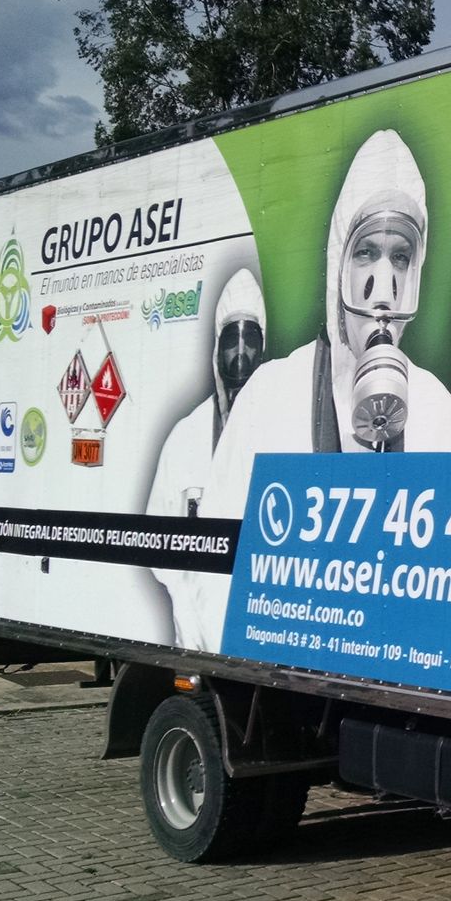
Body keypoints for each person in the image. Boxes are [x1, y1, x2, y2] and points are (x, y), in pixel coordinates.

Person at [177, 130, 451, 650]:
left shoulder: (437, 412)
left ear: (417, 272)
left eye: (400, 258)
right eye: (366, 253)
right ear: (339, 261)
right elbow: (217, 560)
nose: (382, 287)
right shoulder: (270, 394)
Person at [146, 268, 267, 647]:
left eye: (251, 339)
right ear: (217, 346)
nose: (241, 353)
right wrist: (187, 602)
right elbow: (157, 535)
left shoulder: (280, 426)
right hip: (193, 630)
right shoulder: (187, 436)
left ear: (263, 347)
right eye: (232, 339)